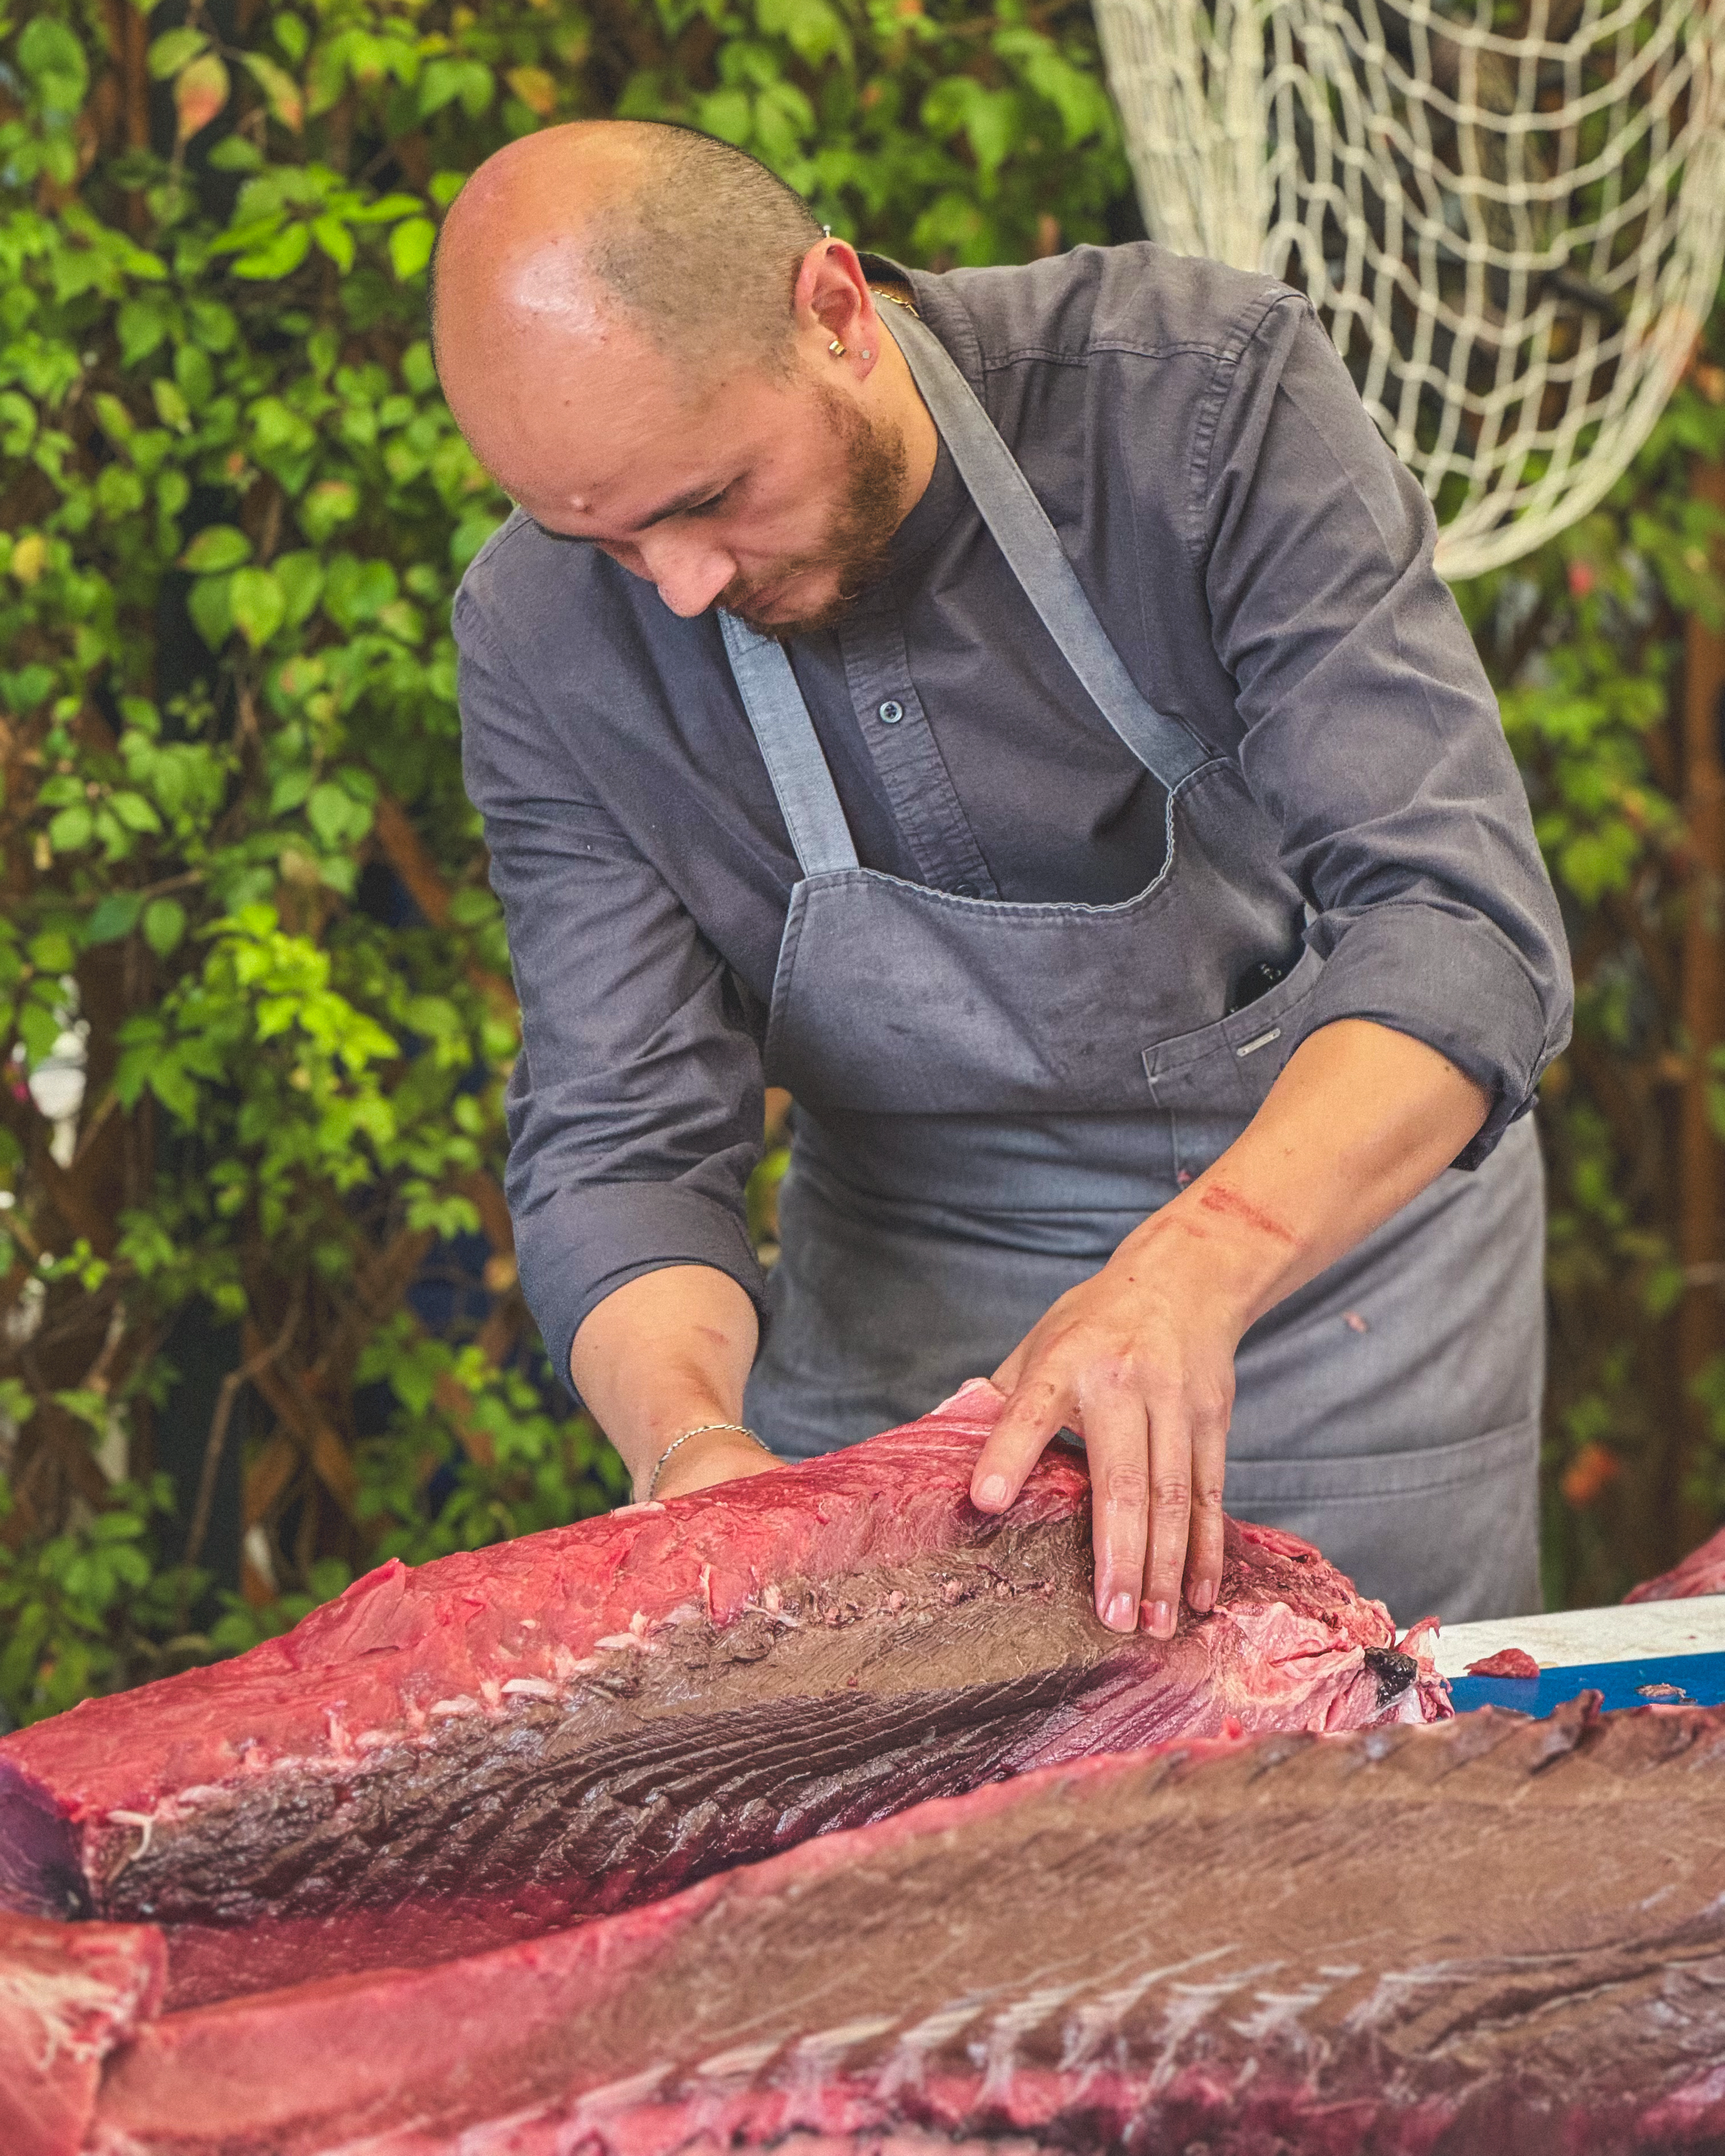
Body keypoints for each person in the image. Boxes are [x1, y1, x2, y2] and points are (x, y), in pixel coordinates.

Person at [435, 119, 1572, 1632]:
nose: (682, 583)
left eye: (709, 497)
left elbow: (1459, 924)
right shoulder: (538, 635)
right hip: (913, 1373)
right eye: (611, 540)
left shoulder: (1195, 399)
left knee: (1381, 1815)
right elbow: (620, 1147)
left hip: (1336, 1292)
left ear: (833, 311)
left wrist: (1195, 1267)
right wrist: (697, 1447)